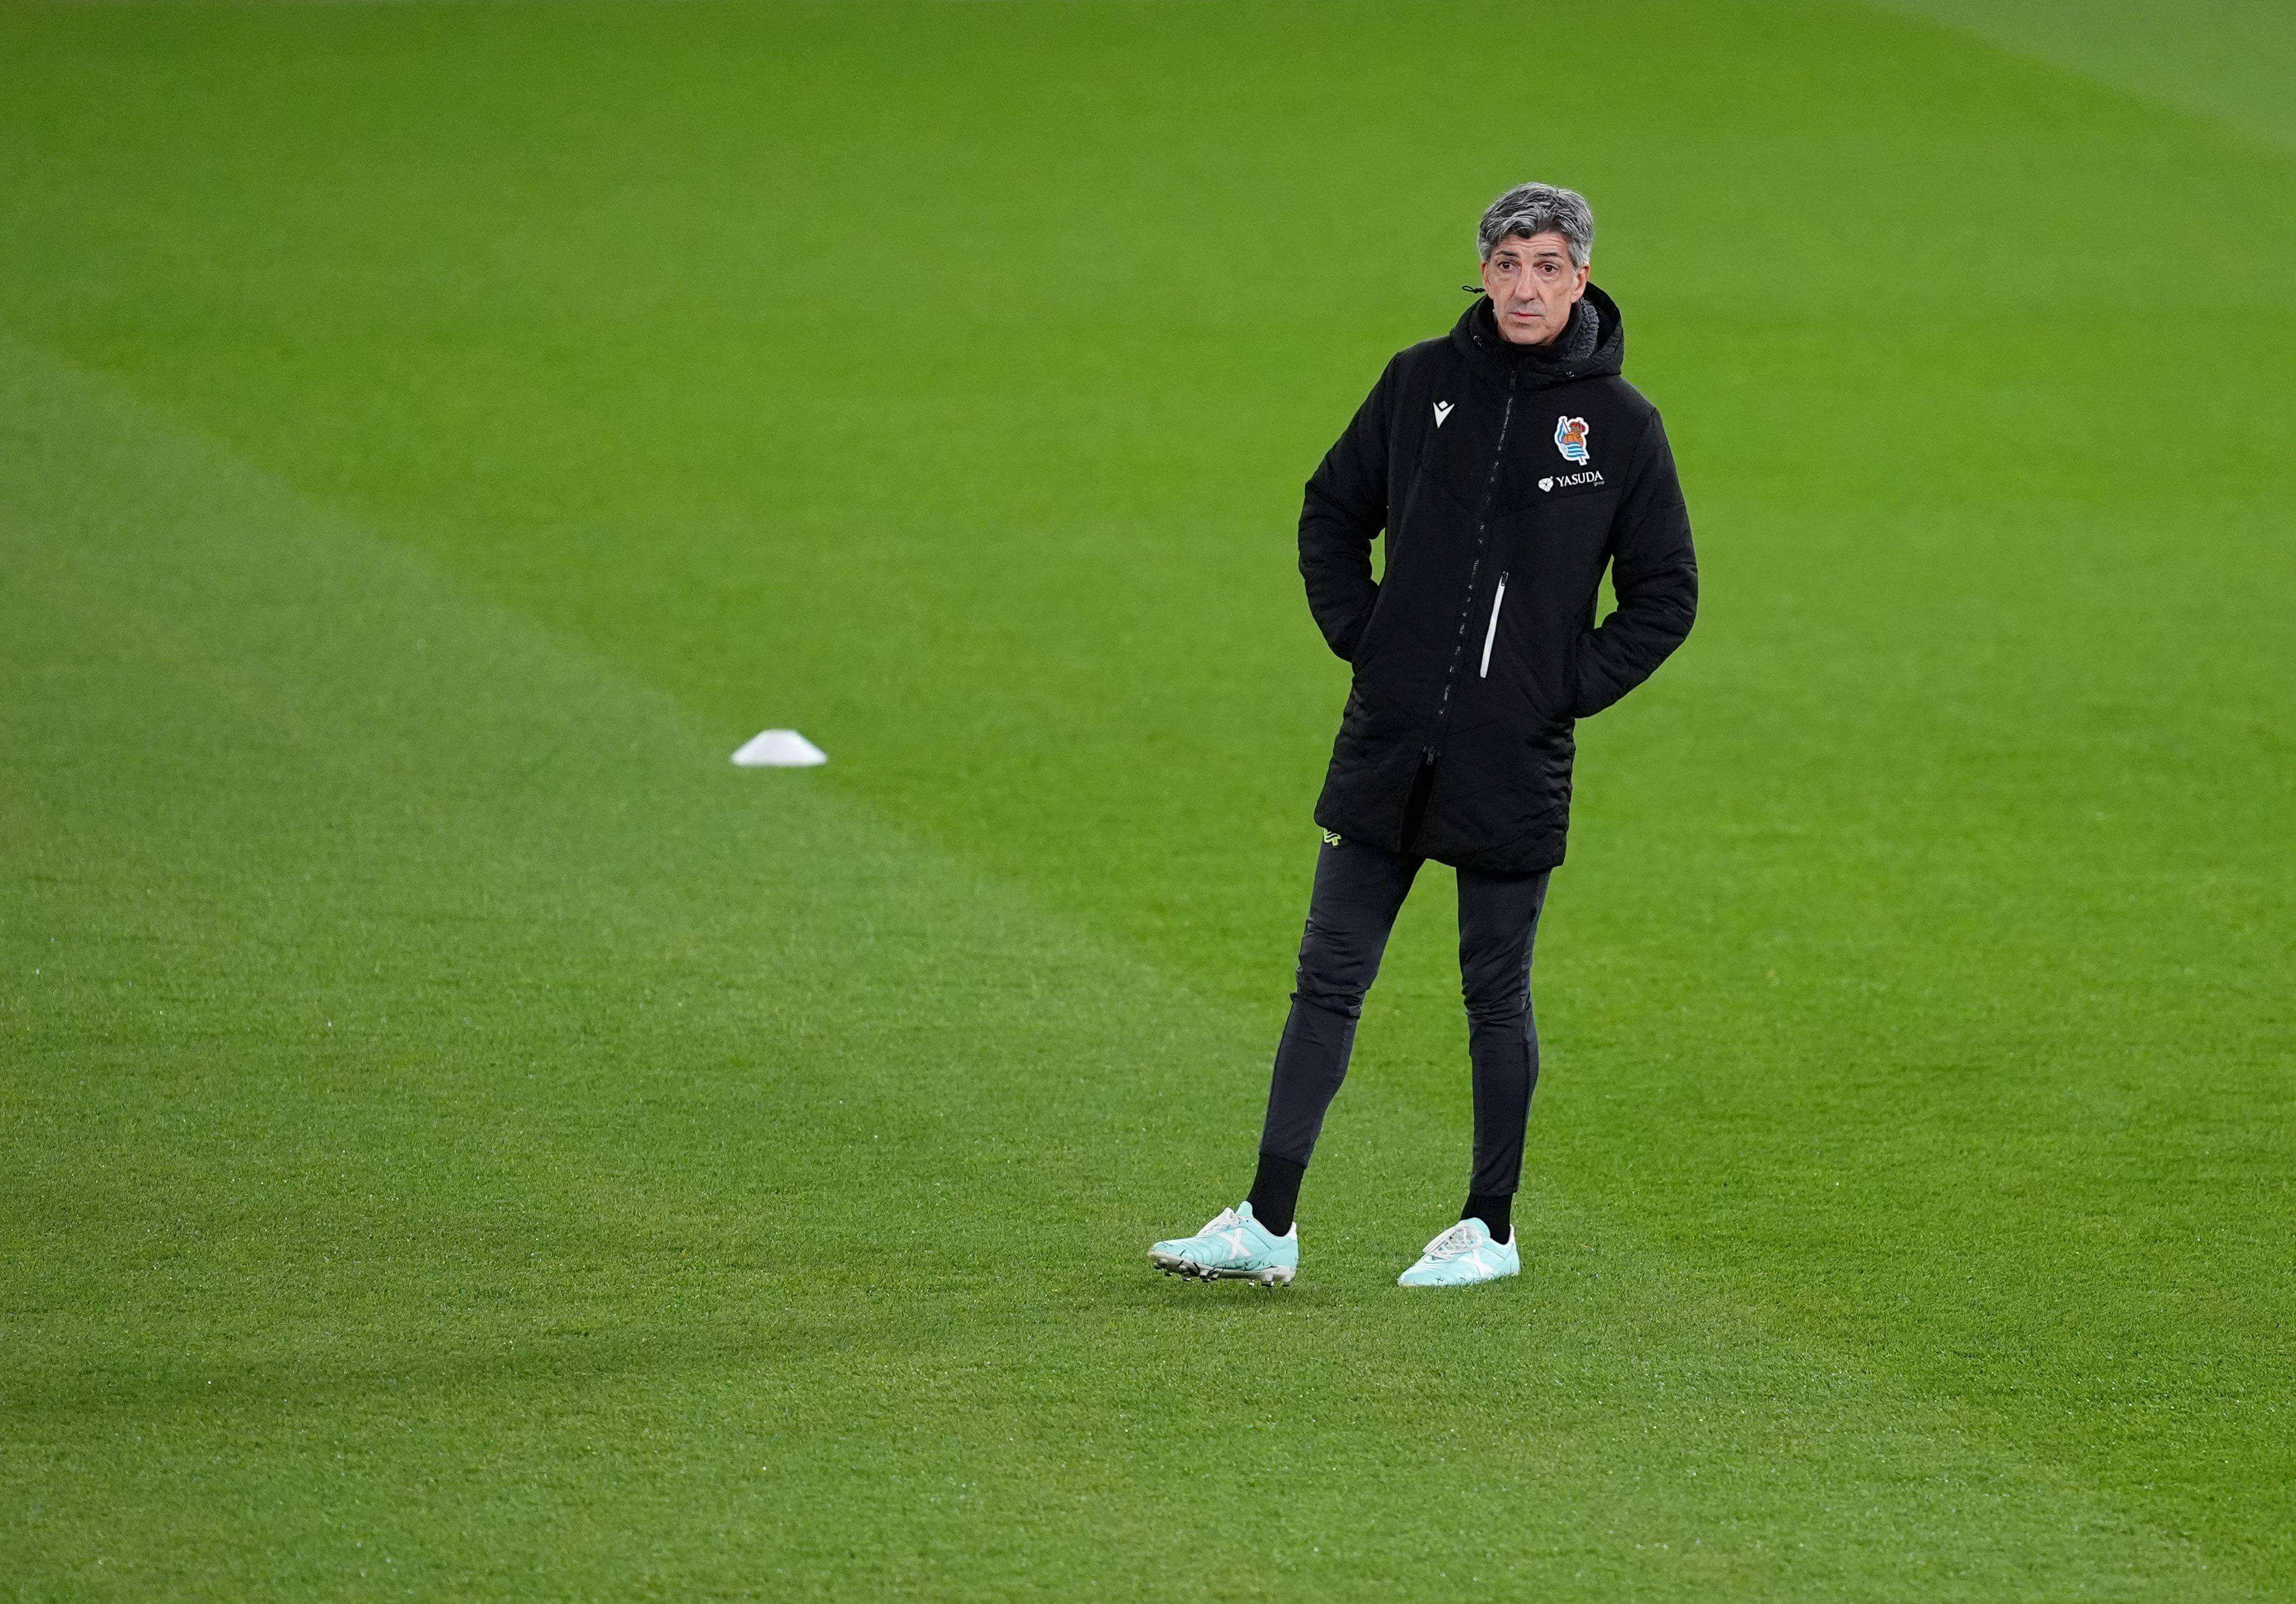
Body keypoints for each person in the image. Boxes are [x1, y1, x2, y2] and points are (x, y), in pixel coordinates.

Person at [1148, 182, 1698, 1289]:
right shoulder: (1420, 382)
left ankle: (1489, 1228)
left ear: (1582, 278)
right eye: (1507, 265)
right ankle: (1266, 1222)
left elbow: (1666, 594)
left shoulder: (1622, 427)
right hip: (1391, 740)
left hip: (1512, 755)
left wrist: (1555, 688)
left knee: (1494, 991)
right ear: (1482, 273)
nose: (1525, 286)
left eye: (1548, 266)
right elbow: (1330, 510)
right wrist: (1373, 638)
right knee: (1327, 975)